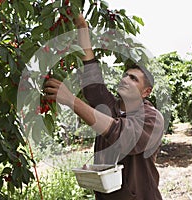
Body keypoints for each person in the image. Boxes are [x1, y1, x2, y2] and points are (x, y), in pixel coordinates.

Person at [44, 14, 164, 200]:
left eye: (133, 79)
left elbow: (120, 134)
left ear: (146, 92)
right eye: (125, 75)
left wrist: (71, 100)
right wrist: (82, 27)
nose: (125, 79)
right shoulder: (110, 107)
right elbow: (93, 79)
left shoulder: (152, 118)